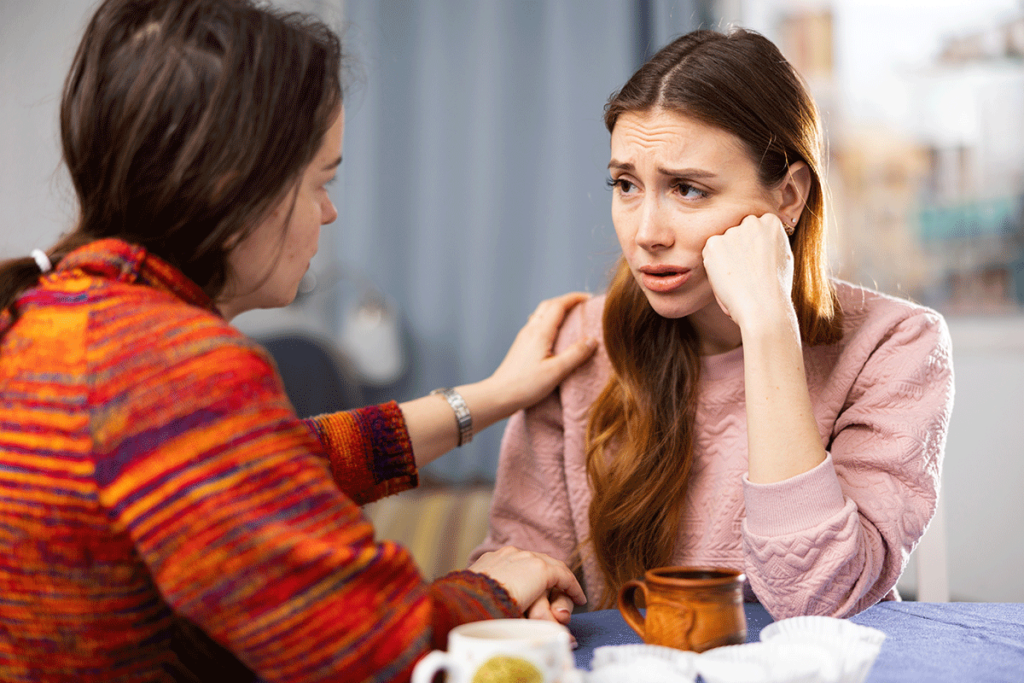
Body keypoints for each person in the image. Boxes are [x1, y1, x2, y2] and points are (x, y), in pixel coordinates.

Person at [0, 1, 598, 681]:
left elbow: (275, 458)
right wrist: (492, 585)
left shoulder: (53, 317)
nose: (330, 210)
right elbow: (375, 653)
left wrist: (487, 399)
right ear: (235, 189)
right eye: (323, 179)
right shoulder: (163, 365)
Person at [472, 28, 955, 620]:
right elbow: (513, 570)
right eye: (625, 184)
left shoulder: (895, 346)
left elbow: (819, 599)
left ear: (789, 197)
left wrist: (769, 328)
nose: (646, 232)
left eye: (688, 190)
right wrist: (529, 599)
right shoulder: (576, 343)